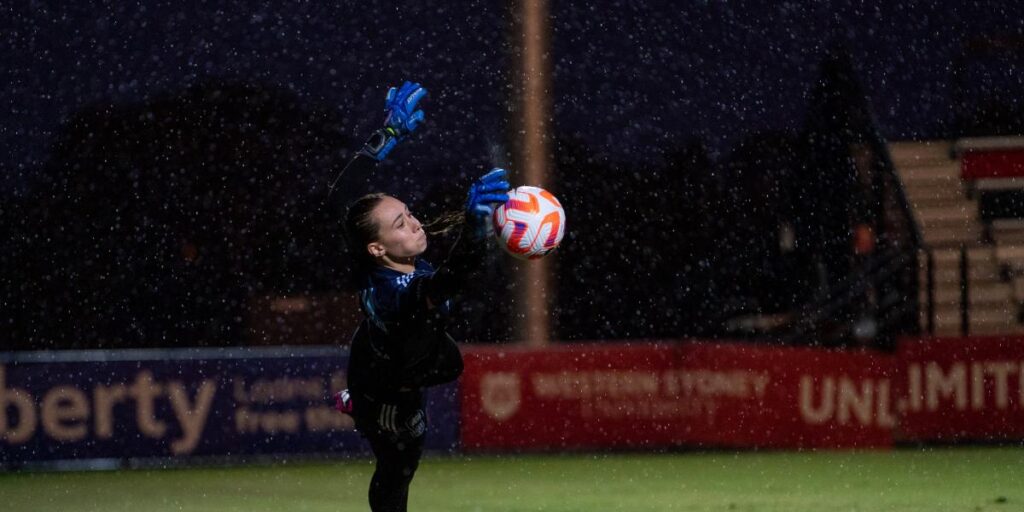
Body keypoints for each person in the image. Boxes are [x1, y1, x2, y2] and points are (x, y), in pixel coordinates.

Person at [330, 81, 509, 512]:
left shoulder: (381, 259)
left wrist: (387, 136)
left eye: (408, 213)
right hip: (390, 387)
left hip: (385, 356)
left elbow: (339, 200)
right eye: (399, 224)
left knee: (448, 359)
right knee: (398, 466)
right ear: (378, 248)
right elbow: (447, 282)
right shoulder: (391, 292)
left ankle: (361, 397)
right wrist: (475, 230)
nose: (414, 225)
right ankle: (364, 404)